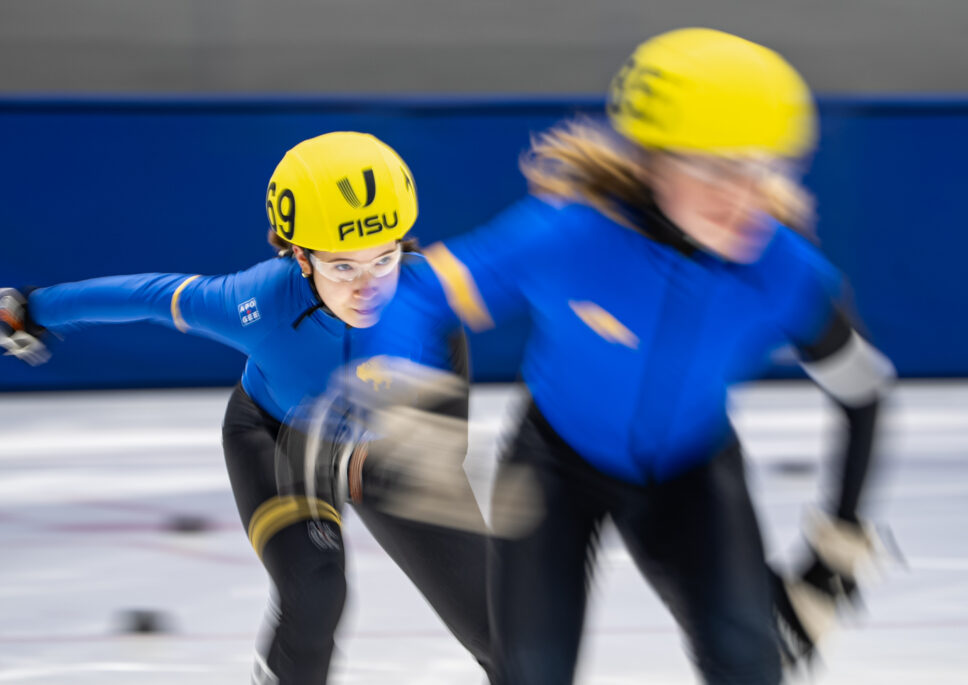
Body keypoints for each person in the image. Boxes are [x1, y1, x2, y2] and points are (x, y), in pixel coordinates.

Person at [350, 28, 894, 684]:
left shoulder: (785, 273)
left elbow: (863, 391)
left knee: (751, 664)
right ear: (651, 160)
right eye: (718, 168)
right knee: (531, 670)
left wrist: (839, 540)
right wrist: (402, 395)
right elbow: (414, 293)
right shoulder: (566, 237)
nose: (746, 198)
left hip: (693, 473)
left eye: (764, 168)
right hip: (555, 468)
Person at [0, 131, 496, 684]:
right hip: (277, 439)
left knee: (504, 627)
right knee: (316, 589)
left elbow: (448, 415)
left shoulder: (428, 298)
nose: (368, 286)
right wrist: (36, 308)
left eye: (383, 259)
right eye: (342, 268)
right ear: (299, 258)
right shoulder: (256, 304)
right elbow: (148, 296)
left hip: (382, 451)